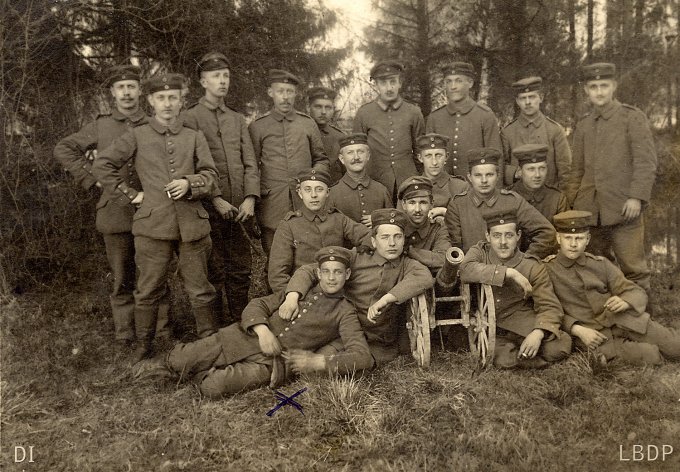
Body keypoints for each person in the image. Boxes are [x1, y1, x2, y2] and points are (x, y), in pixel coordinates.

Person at [134, 247, 373, 398]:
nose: (332, 278)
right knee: (177, 360)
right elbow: (257, 305)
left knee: (212, 388)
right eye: (327, 271)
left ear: (348, 275)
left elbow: (362, 356)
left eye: (338, 272)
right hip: (241, 338)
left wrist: (318, 361)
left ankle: (200, 372)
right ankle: (180, 368)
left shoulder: (345, 311)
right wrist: (262, 330)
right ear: (318, 273)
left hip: (271, 364)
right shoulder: (296, 291)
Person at [93, 72, 218, 361]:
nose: (167, 104)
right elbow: (103, 165)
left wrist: (190, 183)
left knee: (200, 288)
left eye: (172, 98)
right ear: (150, 101)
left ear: (180, 101)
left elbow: (212, 176)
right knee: (148, 288)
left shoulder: (193, 136)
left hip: (192, 225)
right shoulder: (137, 134)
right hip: (152, 224)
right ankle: (143, 344)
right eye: (160, 98)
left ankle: (209, 344)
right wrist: (132, 195)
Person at [53, 65, 170, 347]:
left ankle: (162, 331)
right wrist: (91, 178)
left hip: (150, 209)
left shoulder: (154, 123)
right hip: (115, 211)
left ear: (141, 91)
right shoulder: (102, 125)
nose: (127, 93)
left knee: (155, 274)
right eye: (121, 88)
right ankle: (125, 334)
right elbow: (64, 148)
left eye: (132, 86)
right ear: (113, 93)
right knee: (121, 276)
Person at [279, 209, 434, 366]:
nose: (392, 243)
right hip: (342, 332)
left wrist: (386, 299)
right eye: (385, 237)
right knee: (312, 365)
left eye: (397, 237)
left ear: (403, 240)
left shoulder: (407, 265)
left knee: (343, 366)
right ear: (373, 241)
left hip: (378, 342)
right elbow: (309, 270)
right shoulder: (356, 258)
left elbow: (424, 277)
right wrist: (292, 296)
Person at [565, 63, 657, 293]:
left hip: (625, 210)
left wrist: (636, 197)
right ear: (586, 90)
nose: (599, 91)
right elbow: (576, 170)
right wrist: (573, 203)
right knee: (596, 270)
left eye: (604, 85)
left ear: (614, 86)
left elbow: (645, 163)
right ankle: (608, 323)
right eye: (593, 86)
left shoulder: (631, 118)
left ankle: (642, 325)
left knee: (633, 270)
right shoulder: (584, 125)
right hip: (591, 213)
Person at [182, 52, 259, 325]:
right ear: (203, 81)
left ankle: (241, 322)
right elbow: (188, 164)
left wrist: (250, 198)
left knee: (240, 268)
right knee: (213, 268)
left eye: (226, 76)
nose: (222, 81)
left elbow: (249, 161)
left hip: (239, 209)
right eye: (216, 76)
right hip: (207, 209)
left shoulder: (237, 119)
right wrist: (215, 200)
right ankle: (216, 329)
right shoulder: (190, 117)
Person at [544, 211, 680, 365]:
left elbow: (635, 291)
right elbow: (547, 310)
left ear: (588, 239)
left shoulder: (599, 264)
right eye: (568, 238)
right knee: (649, 356)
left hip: (626, 321)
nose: (573, 244)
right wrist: (576, 329)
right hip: (594, 335)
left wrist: (626, 301)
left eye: (579, 238)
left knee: (675, 347)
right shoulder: (547, 270)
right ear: (558, 238)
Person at [459, 212, 572, 368]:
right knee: (501, 357)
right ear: (487, 236)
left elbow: (549, 305)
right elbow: (465, 270)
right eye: (497, 235)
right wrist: (507, 272)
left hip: (518, 319)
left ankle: (520, 352)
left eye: (509, 235)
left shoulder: (532, 266)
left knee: (560, 346)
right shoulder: (479, 252)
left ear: (518, 236)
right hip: (482, 322)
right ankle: (523, 358)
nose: (503, 242)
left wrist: (538, 333)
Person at [248, 69, 329, 255]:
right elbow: (251, 167)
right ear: (271, 93)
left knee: (307, 255)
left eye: (289, 92)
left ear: (296, 94)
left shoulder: (307, 124)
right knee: (276, 258)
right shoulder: (258, 126)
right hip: (272, 205)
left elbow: (321, 159)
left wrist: (313, 182)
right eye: (280, 91)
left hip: (305, 203)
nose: (285, 97)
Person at [267, 168, 372, 292]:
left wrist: (354, 255)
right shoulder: (289, 225)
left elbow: (371, 238)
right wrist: (292, 296)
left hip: (338, 290)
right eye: (307, 190)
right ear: (300, 193)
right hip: (303, 292)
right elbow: (277, 275)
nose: (313, 195)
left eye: (319, 189)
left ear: (328, 192)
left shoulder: (338, 219)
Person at [444, 148, 556, 258]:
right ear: (469, 177)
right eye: (478, 175)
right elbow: (454, 248)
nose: (484, 180)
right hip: (473, 271)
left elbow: (547, 232)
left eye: (489, 175)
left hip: (509, 270)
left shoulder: (512, 201)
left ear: (498, 175)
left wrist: (526, 260)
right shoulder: (458, 205)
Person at [353, 60, 425, 201]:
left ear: (400, 83)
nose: (389, 88)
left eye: (393, 82)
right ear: (376, 85)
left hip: (407, 179)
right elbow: (358, 150)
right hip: (375, 180)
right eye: (383, 83)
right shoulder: (364, 113)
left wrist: (416, 176)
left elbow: (420, 151)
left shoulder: (413, 112)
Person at [426, 62, 502, 179]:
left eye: (458, 81)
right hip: (443, 191)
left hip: (475, 189)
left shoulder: (485, 115)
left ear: (470, 83)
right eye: (448, 81)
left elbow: (496, 160)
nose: (453, 87)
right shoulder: (435, 118)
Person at [501, 76, 571, 189]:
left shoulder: (555, 130)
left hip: (549, 197)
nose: (527, 102)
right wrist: (514, 173)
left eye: (532, 97)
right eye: (523, 98)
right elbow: (500, 166)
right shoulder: (508, 132)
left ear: (541, 98)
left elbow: (565, 170)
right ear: (517, 101)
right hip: (518, 198)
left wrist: (561, 200)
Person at [326, 133, 393, 226]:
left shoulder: (381, 190)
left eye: (360, 151)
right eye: (350, 153)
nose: (356, 157)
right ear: (342, 159)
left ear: (368, 156)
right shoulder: (333, 193)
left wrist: (379, 219)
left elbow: (392, 225)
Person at [398, 176, 451, 272]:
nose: (417, 209)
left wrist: (408, 251)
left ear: (431, 204)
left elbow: (444, 259)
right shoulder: (397, 228)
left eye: (423, 202)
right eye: (412, 203)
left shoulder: (438, 228)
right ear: (404, 205)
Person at [414, 133, 468, 223]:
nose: (434, 162)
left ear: (446, 156)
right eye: (428, 156)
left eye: (439, 155)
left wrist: (445, 212)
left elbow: (469, 221)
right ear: (420, 158)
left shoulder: (461, 187)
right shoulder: (411, 187)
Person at [509, 143, 568, 224]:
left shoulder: (557, 199)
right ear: (519, 171)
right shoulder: (509, 198)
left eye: (542, 168)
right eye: (531, 169)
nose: (537, 175)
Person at [308, 86, 345, 184]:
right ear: (308, 107)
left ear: (333, 109)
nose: (323, 112)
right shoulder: (299, 133)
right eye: (318, 107)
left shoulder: (340, 138)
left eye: (328, 107)